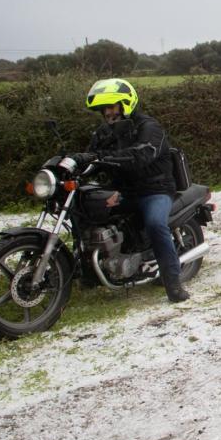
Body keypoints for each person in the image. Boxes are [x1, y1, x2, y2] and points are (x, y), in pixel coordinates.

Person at [78, 78, 190, 303]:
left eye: (111, 107)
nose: (107, 113)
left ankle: (174, 283)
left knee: (156, 224)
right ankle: (88, 272)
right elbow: (92, 157)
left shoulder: (149, 127)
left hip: (154, 190)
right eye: (103, 109)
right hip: (123, 191)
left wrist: (100, 157)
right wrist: (76, 164)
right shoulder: (103, 132)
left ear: (126, 103)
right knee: (84, 212)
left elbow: (141, 155)